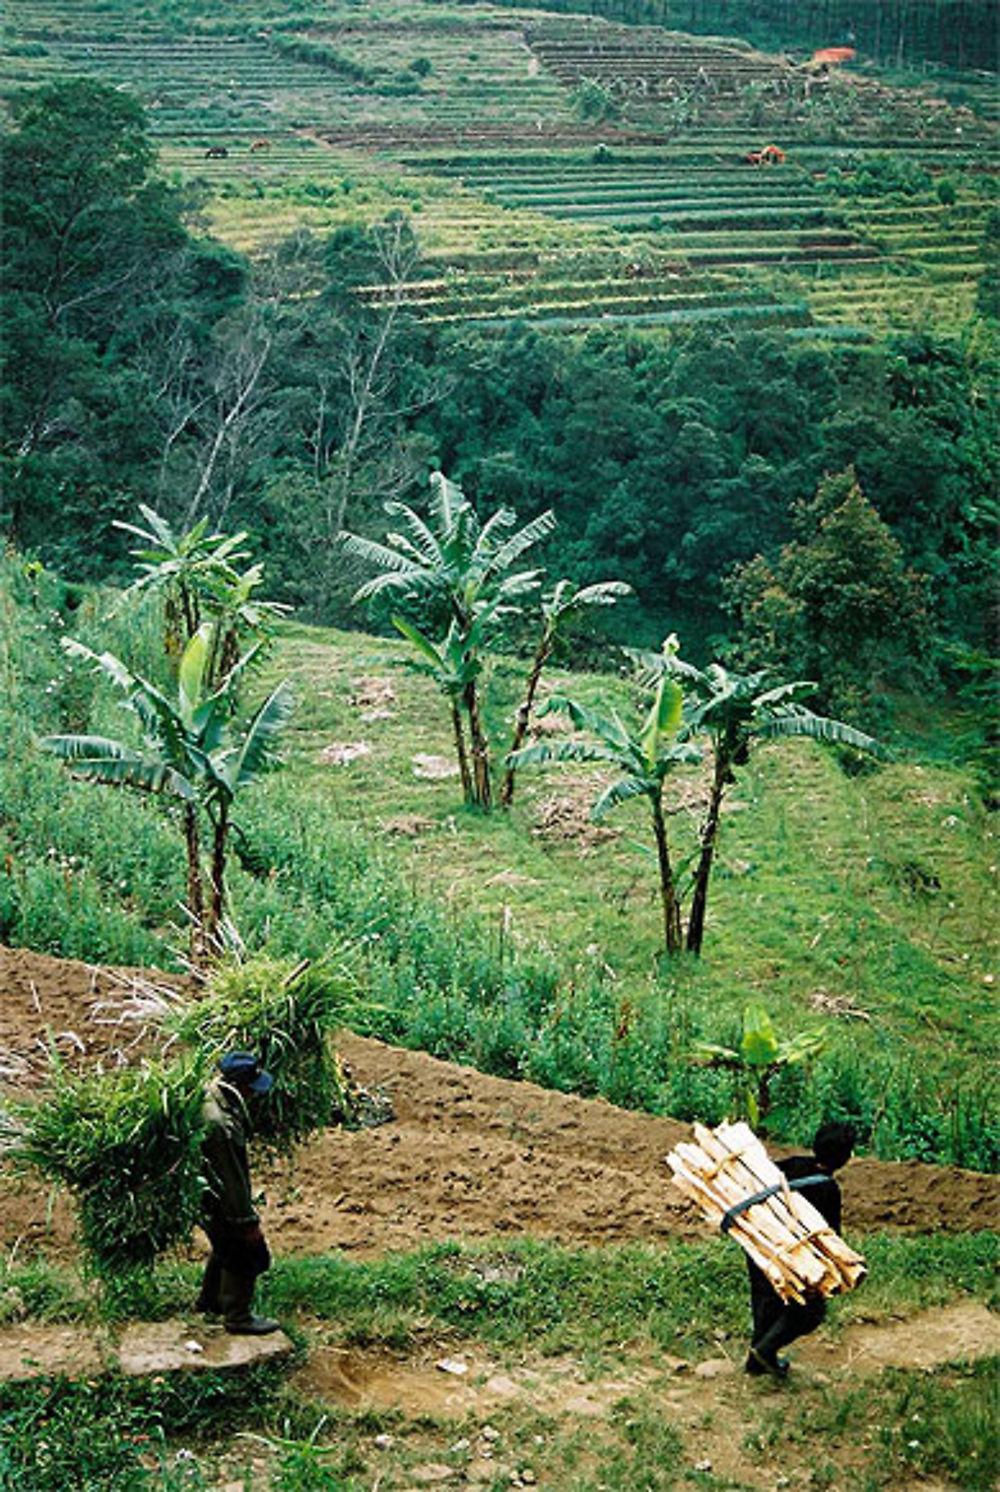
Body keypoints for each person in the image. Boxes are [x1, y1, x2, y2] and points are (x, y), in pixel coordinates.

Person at [745, 1121, 856, 1378]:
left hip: (761, 1244)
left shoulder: (793, 1164)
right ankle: (765, 1350)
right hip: (792, 1257)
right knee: (810, 1312)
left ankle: (758, 1361)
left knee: (765, 1304)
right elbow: (831, 1236)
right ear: (845, 1158)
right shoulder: (828, 1189)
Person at [195, 1050, 279, 1335]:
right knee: (246, 1252)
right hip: (217, 1198)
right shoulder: (222, 1127)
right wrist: (247, 1221)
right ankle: (238, 1317)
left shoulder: (210, 1093)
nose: (254, 1095)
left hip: (203, 1193)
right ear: (240, 1086)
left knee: (223, 1246)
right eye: (251, 1089)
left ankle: (211, 1301)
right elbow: (231, 1180)